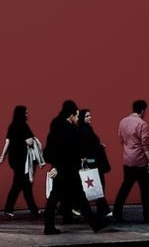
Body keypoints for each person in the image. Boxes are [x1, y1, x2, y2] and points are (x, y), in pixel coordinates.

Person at [42, 100, 108, 235]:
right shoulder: (69, 130)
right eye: (77, 116)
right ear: (70, 115)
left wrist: (54, 165)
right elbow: (68, 150)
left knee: (59, 197)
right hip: (68, 169)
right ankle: (94, 224)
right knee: (75, 196)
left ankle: (50, 226)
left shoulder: (56, 127)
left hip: (61, 168)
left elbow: (50, 150)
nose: (78, 118)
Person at [111, 99, 149, 223]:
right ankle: (147, 215)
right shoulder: (142, 124)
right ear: (142, 110)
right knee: (146, 189)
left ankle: (117, 212)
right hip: (140, 161)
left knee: (125, 186)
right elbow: (145, 144)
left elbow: (121, 139)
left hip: (127, 159)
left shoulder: (122, 122)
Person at [0, 104, 40, 217]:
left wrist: (2, 156)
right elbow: (29, 142)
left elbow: (7, 142)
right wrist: (34, 139)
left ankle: (32, 209)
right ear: (22, 114)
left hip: (13, 159)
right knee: (20, 184)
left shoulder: (12, 126)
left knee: (24, 184)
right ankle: (9, 209)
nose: (27, 114)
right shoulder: (23, 125)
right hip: (23, 160)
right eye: (26, 112)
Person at [77, 107, 112, 221]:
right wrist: (99, 147)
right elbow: (87, 146)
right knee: (98, 184)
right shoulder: (84, 130)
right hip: (92, 161)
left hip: (91, 160)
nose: (90, 117)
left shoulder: (85, 129)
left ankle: (102, 209)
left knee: (96, 185)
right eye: (87, 116)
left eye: (90, 115)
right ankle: (103, 210)